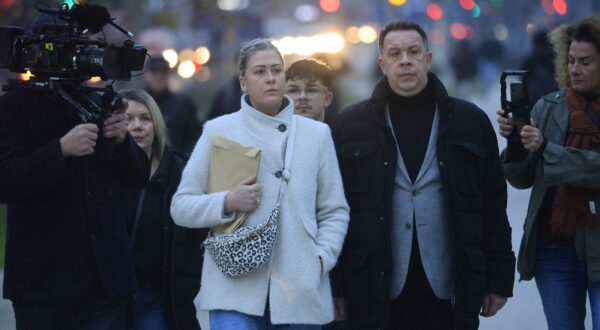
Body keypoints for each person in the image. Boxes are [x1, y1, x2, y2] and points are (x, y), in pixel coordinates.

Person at [330, 21, 515, 330]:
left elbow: (493, 205)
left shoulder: (469, 121)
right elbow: (333, 211)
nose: (405, 60)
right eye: (395, 53)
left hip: (449, 284)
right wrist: (335, 285)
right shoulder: (350, 125)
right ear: (382, 63)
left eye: (414, 52)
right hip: (374, 285)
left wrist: (498, 278)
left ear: (428, 59)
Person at [170, 38, 349, 329]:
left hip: (299, 290)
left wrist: (320, 259)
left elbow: (334, 210)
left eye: (277, 71)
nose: (270, 79)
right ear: (243, 82)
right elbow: (181, 206)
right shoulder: (218, 131)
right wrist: (226, 202)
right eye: (260, 72)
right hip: (233, 288)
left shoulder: (317, 135)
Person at [0, 23, 150, 330]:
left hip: (105, 281)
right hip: (44, 285)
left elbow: (137, 177)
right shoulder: (13, 107)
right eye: (73, 50)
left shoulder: (97, 101)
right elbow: (5, 181)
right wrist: (59, 151)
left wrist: (122, 142)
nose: (84, 58)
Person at [498, 15, 600, 330]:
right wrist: (516, 145)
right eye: (570, 60)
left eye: (585, 62)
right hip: (555, 249)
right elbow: (523, 179)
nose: (574, 69)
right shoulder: (548, 107)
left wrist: (546, 149)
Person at [121, 89, 207, 330]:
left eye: (145, 119)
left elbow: (198, 231)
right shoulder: (101, 172)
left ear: (157, 124)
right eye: (127, 119)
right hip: (110, 298)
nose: (136, 126)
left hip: (158, 296)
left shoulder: (180, 173)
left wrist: (187, 281)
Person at [141, 57, 203, 155]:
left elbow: (198, 135)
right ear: (146, 75)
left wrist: (183, 160)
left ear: (168, 74)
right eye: (154, 72)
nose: (158, 76)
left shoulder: (184, 104)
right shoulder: (137, 104)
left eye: (162, 72)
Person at [285, 58, 334, 123]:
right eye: (293, 91)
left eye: (312, 90)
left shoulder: (341, 132)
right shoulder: (270, 132)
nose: (302, 97)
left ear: (327, 99)